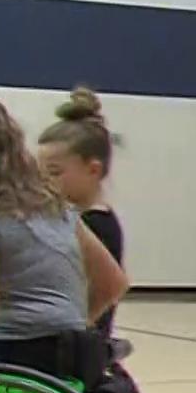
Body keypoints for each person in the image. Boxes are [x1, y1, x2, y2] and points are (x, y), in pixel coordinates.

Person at [0, 87, 129, 377]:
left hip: (6, 357)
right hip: (71, 358)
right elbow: (112, 283)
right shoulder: (50, 203)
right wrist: (63, 329)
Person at [36, 86, 125, 335]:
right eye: (39, 172)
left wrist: (77, 329)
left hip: (77, 341)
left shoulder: (95, 224)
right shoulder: (68, 218)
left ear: (93, 170)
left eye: (54, 172)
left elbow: (106, 288)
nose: (43, 181)